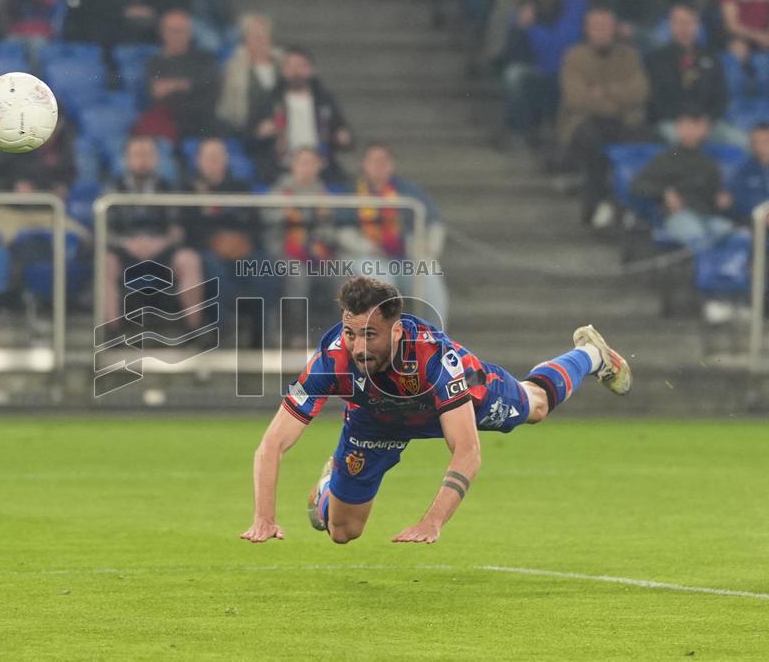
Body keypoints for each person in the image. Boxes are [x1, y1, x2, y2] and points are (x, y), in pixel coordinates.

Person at [240, 276, 632, 544]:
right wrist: (264, 516)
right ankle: (329, 486)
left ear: (396, 331)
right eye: (351, 333)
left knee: (537, 405)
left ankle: (590, 354)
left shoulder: (435, 359)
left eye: (370, 335)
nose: (358, 347)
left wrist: (433, 521)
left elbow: (466, 451)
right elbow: (273, 442)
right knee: (343, 533)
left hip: (454, 401)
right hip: (375, 420)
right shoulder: (333, 359)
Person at [102, 135, 206, 333]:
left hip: (162, 250)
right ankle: (112, 331)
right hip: (125, 251)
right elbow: (104, 229)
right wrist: (126, 243)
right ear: (126, 159)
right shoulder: (113, 189)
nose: (142, 160)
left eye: (147, 155)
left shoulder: (169, 188)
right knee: (105, 263)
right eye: (137, 155)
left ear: (157, 158)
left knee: (189, 260)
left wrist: (162, 242)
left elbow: (178, 229)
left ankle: (194, 330)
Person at [558, 6, 650, 226]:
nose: (601, 32)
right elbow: (575, 97)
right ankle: (595, 206)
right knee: (593, 143)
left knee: (640, 139)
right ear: (587, 30)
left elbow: (640, 91)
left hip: (623, 122)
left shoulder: (630, 56)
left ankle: (628, 207)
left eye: (606, 27)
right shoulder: (574, 57)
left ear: (615, 29)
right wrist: (618, 97)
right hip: (583, 123)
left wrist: (604, 92)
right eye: (596, 27)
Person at [341, 143, 449, 325]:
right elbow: (340, 229)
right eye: (374, 161)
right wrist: (364, 245)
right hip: (367, 255)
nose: (379, 165)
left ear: (392, 164)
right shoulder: (351, 191)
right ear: (364, 164)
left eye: (384, 161)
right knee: (381, 283)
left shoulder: (408, 190)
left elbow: (434, 223)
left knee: (430, 278)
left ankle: (436, 340)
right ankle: (386, 342)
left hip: (407, 257)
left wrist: (430, 248)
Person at [184, 138, 278, 346]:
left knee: (265, 267)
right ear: (198, 160)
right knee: (213, 269)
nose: (214, 161)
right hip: (207, 250)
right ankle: (222, 331)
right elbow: (186, 228)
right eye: (209, 157)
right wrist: (214, 241)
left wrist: (244, 242)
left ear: (226, 159)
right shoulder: (187, 188)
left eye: (219, 156)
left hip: (242, 249)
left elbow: (254, 224)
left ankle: (260, 335)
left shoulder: (240, 187)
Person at [630, 108, 735, 252]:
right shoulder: (666, 159)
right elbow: (638, 185)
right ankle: (705, 272)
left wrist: (721, 200)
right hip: (679, 217)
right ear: (677, 128)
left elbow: (716, 199)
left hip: (707, 217)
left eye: (694, 125)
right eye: (684, 125)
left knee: (734, 236)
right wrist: (665, 193)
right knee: (698, 236)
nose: (689, 131)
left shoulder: (709, 163)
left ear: (704, 129)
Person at [646, 3, 746, 149]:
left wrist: (705, 120)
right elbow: (654, 101)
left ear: (697, 25)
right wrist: (683, 121)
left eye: (688, 22)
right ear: (670, 25)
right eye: (679, 22)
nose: (684, 27)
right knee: (678, 141)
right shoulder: (655, 60)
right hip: (672, 123)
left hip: (707, 123)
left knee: (745, 143)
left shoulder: (711, 57)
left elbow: (721, 97)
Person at [250, 46, 353, 183]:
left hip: (321, 170)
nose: (295, 71)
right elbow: (250, 136)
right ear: (283, 70)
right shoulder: (270, 101)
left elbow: (344, 134)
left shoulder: (325, 100)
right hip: (281, 169)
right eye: (290, 66)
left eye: (300, 65)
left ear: (310, 69)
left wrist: (343, 137)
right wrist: (261, 132)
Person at [496, 0, 588, 149]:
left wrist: (533, 29)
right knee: (514, 75)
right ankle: (523, 131)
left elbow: (565, 43)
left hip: (570, 73)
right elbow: (511, 56)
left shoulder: (576, 4)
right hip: (538, 73)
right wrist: (520, 28)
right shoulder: (523, 9)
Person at [142, 9, 221, 139]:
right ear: (163, 33)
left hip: (204, 122)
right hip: (171, 123)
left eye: (182, 30)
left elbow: (212, 86)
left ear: (189, 33)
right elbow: (156, 92)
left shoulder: (205, 58)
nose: (177, 35)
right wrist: (188, 84)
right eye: (172, 30)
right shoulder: (154, 63)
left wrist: (174, 85)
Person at [216, 13, 282, 135]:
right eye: (254, 34)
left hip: (281, 130)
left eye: (263, 32)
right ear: (245, 39)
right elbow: (229, 109)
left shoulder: (282, 64)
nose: (259, 37)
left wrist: (277, 125)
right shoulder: (232, 68)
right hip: (246, 132)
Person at [729, 122, 769, 219]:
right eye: (756, 142)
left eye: (765, 141)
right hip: (754, 220)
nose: (760, 146)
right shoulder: (743, 170)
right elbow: (740, 200)